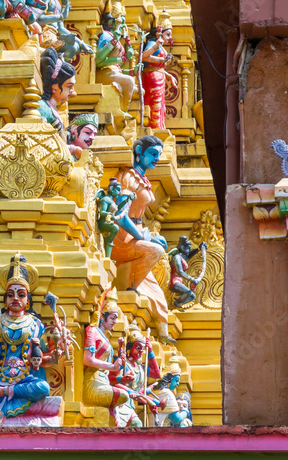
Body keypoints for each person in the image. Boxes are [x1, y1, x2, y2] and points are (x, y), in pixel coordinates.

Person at [0, 253, 62, 425]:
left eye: (21, 294)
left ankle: (10, 392)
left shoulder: (36, 324)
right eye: (11, 294)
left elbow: (42, 359)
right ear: (6, 300)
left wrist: (54, 357)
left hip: (25, 381)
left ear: (27, 301)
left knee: (43, 388)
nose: (15, 298)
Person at [113, 135, 173, 342]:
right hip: (121, 239)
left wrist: (150, 235)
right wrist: (144, 236)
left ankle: (164, 332)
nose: (156, 158)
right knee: (155, 251)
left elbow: (138, 217)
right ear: (139, 152)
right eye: (152, 154)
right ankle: (127, 286)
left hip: (135, 236)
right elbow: (120, 216)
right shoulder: (128, 177)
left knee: (157, 291)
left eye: (159, 154)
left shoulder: (143, 180)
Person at [82, 288, 131, 416]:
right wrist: (112, 366)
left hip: (103, 381)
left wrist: (120, 354)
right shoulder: (92, 331)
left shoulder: (106, 338)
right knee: (124, 396)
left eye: (116, 318)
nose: (114, 321)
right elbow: (88, 359)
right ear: (103, 317)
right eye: (112, 317)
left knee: (127, 398)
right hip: (93, 383)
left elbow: (112, 371)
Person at [108, 322, 162, 426]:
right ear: (130, 347)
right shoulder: (123, 362)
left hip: (131, 405)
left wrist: (150, 350)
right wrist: (128, 390)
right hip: (120, 403)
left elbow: (156, 374)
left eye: (143, 349)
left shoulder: (140, 367)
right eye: (137, 347)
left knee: (138, 425)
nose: (141, 351)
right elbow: (112, 380)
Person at [140, 14, 178, 130]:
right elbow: (143, 57)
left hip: (159, 77)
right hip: (152, 78)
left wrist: (169, 76)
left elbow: (160, 67)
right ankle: (154, 127)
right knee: (154, 103)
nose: (169, 38)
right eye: (167, 34)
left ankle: (160, 127)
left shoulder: (161, 48)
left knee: (161, 105)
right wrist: (157, 51)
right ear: (160, 34)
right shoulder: (154, 44)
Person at [95, 10, 136, 113]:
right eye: (120, 22)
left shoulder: (115, 39)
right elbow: (99, 60)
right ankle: (123, 111)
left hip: (113, 72)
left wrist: (132, 72)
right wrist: (113, 42)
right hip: (104, 73)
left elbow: (117, 67)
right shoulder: (106, 36)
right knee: (129, 81)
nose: (123, 25)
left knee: (140, 91)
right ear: (110, 23)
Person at [35, 47, 76, 134]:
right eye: (69, 86)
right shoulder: (42, 107)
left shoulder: (50, 109)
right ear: (54, 86)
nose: (73, 93)